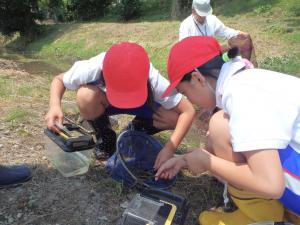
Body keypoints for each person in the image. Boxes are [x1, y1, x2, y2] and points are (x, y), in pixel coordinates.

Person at [156, 36, 300, 224]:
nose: (190, 101)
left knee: (219, 127)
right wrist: (184, 160)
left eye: (185, 93)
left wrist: (207, 162)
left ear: (197, 78)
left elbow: (271, 185)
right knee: (219, 130)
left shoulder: (242, 94)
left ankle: (261, 214)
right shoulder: (245, 79)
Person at [45, 42, 195, 170]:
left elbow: (187, 111)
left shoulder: (153, 78)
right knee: (85, 95)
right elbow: (58, 80)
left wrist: (169, 149)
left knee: (173, 117)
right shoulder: (93, 67)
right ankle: (106, 137)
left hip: (142, 104)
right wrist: (54, 106)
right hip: (107, 102)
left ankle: (132, 133)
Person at [179, 0, 257, 66]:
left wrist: (238, 34)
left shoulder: (211, 19)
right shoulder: (186, 25)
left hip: (214, 55)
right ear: (193, 11)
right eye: (201, 14)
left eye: (205, 13)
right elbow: (184, 51)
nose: (203, 16)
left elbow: (225, 31)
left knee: (243, 41)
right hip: (197, 62)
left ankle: (246, 68)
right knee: (225, 48)